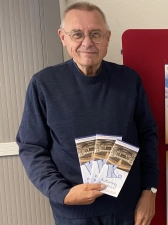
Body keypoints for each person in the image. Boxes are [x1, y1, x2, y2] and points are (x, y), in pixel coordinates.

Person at [16, 2, 159, 225]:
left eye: (95, 34)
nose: (87, 43)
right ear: (63, 37)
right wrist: (62, 193)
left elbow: (148, 136)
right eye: (77, 34)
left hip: (127, 210)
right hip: (73, 213)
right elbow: (31, 147)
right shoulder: (44, 84)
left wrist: (150, 190)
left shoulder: (129, 80)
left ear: (108, 37)